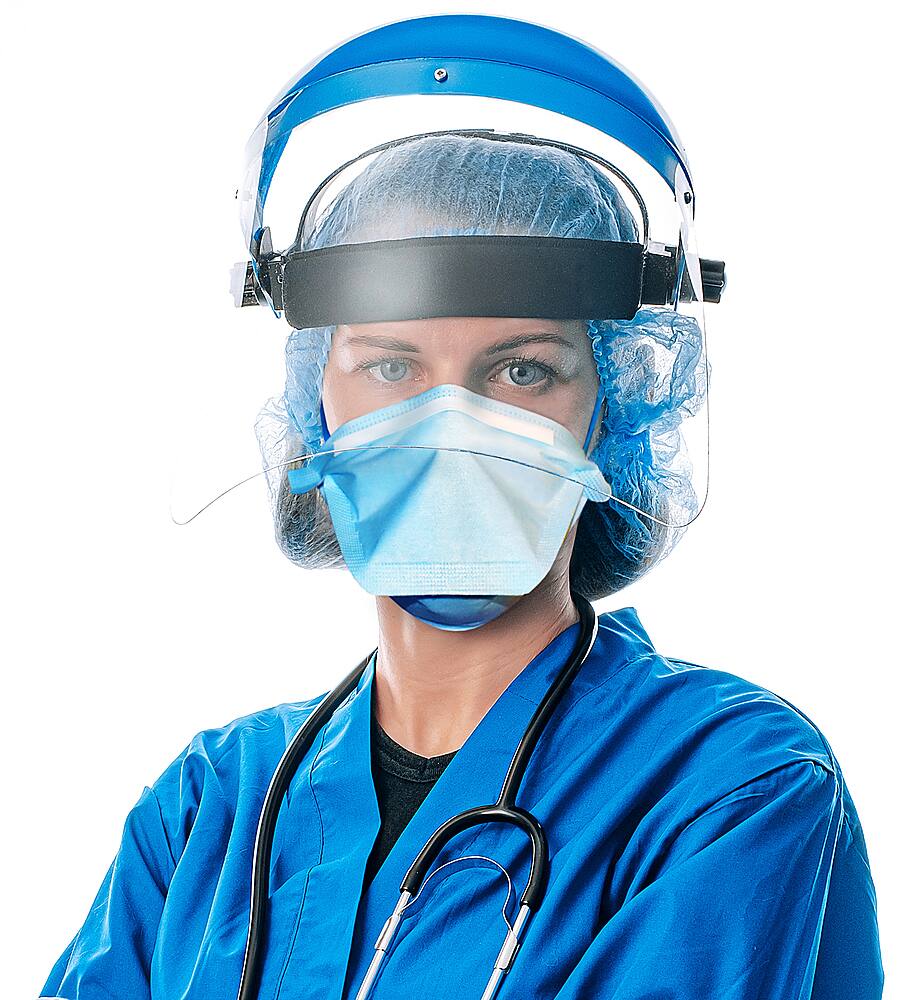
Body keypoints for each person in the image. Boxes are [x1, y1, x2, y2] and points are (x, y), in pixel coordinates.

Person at [39, 15, 883, 1000]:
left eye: (522, 371)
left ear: (613, 411)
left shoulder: (728, 786)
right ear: (314, 404)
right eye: (391, 367)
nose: (451, 428)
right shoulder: (207, 814)